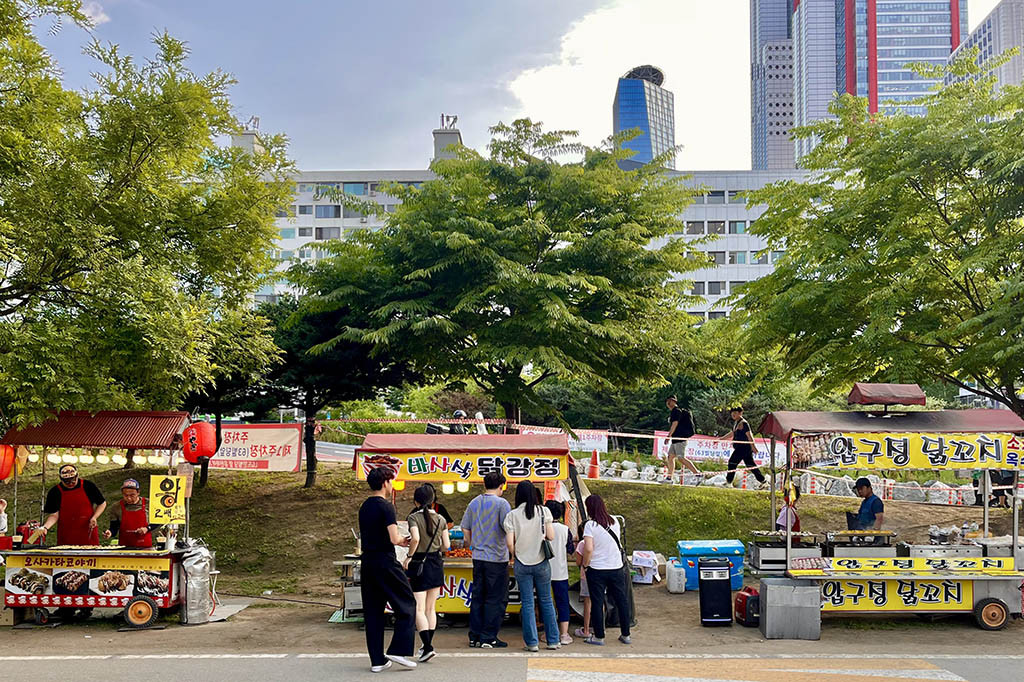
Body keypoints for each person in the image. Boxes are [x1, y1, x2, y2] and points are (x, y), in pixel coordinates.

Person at [359, 467, 418, 673]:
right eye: (391, 481)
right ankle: (398, 650)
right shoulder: (386, 506)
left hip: (368, 562)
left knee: (373, 612)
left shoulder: (365, 506)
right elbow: (394, 538)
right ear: (385, 483)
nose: (392, 485)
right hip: (385, 561)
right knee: (407, 603)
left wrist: (397, 540)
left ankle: (377, 661)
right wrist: (403, 541)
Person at [504, 481, 559, 652]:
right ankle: (553, 640)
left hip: (522, 563)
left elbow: (509, 543)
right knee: (546, 600)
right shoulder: (544, 511)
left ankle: (532, 643)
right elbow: (551, 536)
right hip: (541, 561)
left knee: (527, 603)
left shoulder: (512, 515)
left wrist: (515, 554)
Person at [461, 471, 512, 649]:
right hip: (497, 558)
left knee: (478, 597)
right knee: (495, 598)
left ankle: (474, 636)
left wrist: (471, 543)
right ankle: (488, 637)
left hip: (478, 557)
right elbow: (508, 529)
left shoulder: (474, 502)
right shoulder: (502, 504)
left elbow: (465, 528)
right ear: (501, 486)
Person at [403, 484, 450, 663]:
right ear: (433, 500)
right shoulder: (441, 518)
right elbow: (446, 545)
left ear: (416, 501)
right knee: (431, 608)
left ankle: (427, 647)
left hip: (419, 563)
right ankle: (427, 645)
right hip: (436, 563)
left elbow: (415, 538)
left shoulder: (413, 517)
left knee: (419, 608)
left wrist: (409, 556)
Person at [580, 494, 631, 646]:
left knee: (597, 602)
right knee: (621, 601)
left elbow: (588, 548)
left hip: (597, 569)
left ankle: (599, 636)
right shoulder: (614, 521)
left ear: (589, 508)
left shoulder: (590, 525)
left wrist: (585, 565)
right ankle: (626, 634)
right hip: (616, 567)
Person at [37, 464, 106, 545]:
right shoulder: (55, 492)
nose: (70, 484)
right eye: (67, 482)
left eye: (73, 481)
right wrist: (45, 527)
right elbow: (54, 515)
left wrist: (94, 517)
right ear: (61, 479)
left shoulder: (88, 486)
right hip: (66, 533)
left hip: (87, 531)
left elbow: (102, 503)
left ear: (77, 476)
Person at [545, 500, 573, 645]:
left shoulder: (543, 529)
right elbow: (570, 550)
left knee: (546, 602)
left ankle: (549, 633)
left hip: (544, 571)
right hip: (561, 572)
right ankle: (564, 634)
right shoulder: (565, 529)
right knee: (563, 602)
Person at [723, 407, 767, 490]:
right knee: (750, 465)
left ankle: (729, 482)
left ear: (740, 413)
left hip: (743, 447)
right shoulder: (736, 423)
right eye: (732, 413)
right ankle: (763, 481)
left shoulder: (744, 423)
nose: (733, 414)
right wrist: (721, 439)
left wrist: (753, 447)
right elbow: (732, 433)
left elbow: (750, 436)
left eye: (735, 413)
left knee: (732, 462)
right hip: (740, 447)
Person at [103, 479, 156, 548]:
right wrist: (110, 533)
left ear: (138, 492)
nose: (129, 498)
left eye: (132, 495)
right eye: (125, 495)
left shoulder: (149, 504)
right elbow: (114, 527)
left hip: (145, 546)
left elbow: (159, 521)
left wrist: (147, 528)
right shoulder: (116, 507)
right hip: (124, 546)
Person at [664, 395, 698, 483]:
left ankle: (698, 474)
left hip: (680, 438)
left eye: (670, 401)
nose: (668, 403)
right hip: (675, 439)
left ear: (674, 401)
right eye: (667, 401)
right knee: (670, 457)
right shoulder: (674, 412)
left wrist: (669, 435)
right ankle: (669, 478)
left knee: (681, 458)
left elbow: (675, 423)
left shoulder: (676, 411)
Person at [573, 531, 591, 640]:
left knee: (587, 602)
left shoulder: (582, 543)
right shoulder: (599, 541)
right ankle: (600, 628)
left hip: (586, 574)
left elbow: (578, 562)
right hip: (601, 573)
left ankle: (586, 630)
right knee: (600, 601)